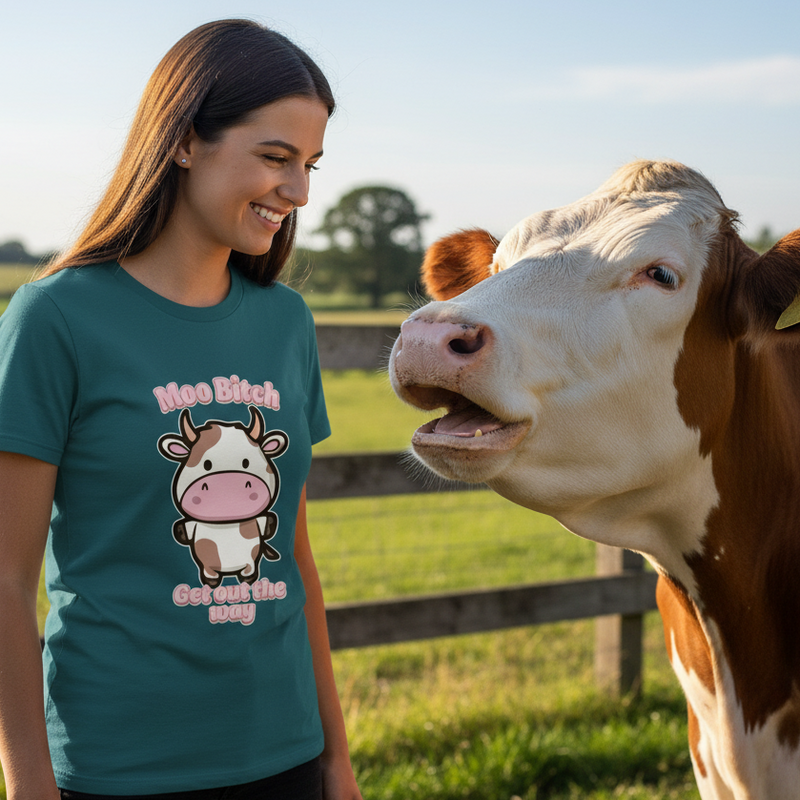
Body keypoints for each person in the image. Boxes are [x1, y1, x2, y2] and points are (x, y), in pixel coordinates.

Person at [0, 19, 362, 800]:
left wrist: (335, 757)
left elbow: (295, 563)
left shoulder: (286, 323)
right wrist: (28, 784)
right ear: (185, 140)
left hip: (286, 755)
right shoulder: (55, 320)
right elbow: (4, 575)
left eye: (310, 164)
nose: (298, 191)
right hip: (116, 769)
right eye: (275, 157)